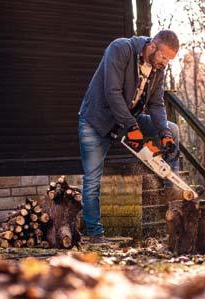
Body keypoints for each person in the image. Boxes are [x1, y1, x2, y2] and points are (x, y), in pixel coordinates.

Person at [78, 30, 180, 241]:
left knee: (174, 129)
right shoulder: (120, 49)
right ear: (152, 46)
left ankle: (173, 192)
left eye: (169, 60)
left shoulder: (158, 69)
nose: (165, 63)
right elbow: (112, 92)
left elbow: (156, 104)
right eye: (164, 57)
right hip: (96, 120)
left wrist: (164, 134)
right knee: (92, 180)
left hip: (126, 120)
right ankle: (96, 235)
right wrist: (132, 127)